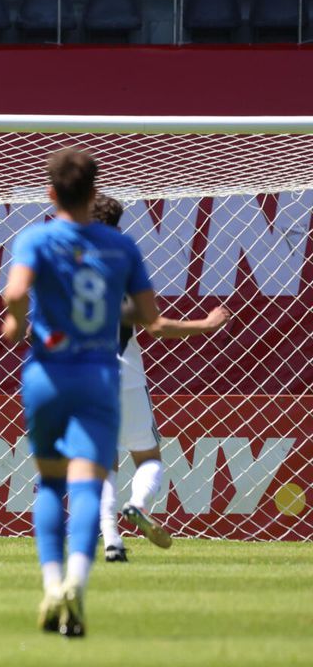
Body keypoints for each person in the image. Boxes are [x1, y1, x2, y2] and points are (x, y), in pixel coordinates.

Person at [2, 149, 158, 638]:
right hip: (97, 377)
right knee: (90, 483)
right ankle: (76, 584)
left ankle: (51, 584)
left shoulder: (37, 238)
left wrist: (19, 320)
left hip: (47, 374)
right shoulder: (121, 249)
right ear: (94, 194)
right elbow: (148, 317)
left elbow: (13, 293)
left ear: (50, 194)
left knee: (51, 484)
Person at [90, 194, 231, 562]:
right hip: (124, 373)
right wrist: (207, 324)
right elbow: (155, 326)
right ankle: (136, 504)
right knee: (149, 457)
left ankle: (112, 542)